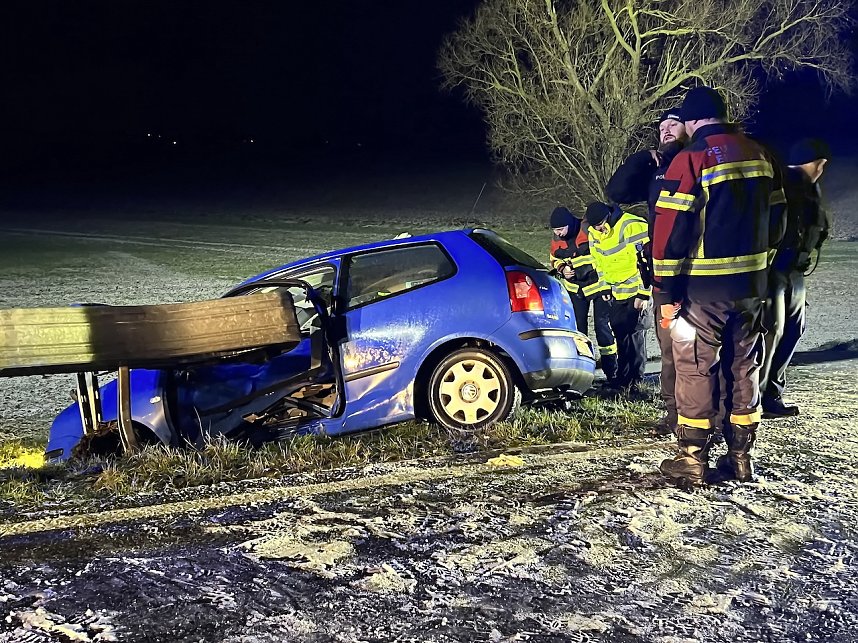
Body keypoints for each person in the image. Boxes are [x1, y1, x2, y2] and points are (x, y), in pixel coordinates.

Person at [653, 86, 786, 485]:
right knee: (743, 364)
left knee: (695, 365)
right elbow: (778, 224)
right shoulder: (763, 155)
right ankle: (741, 456)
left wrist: (664, 292)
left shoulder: (692, 158)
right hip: (752, 288)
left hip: (703, 290)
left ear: (693, 121)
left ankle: (692, 458)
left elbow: (670, 233)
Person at [607, 109, 689, 434]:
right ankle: (674, 414)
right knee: (669, 348)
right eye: (662, 127)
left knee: (699, 349)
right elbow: (616, 193)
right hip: (664, 284)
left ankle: (707, 413)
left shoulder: (699, 163)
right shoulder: (657, 171)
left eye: (673, 125)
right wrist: (643, 158)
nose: (666, 131)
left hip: (698, 280)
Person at [759, 139, 830, 418]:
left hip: (795, 272)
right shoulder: (780, 184)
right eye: (821, 165)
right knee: (771, 332)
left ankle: (772, 395)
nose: (822, 171)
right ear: (815, 163)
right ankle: (755, 398)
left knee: (793, 330)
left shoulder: (811, 189)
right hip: (774, 269)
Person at [584, 201, 652, 391]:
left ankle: (636, 381)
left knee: (636, 335)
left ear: (608, 217)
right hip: (616, 293)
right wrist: (604, 287)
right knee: (621, 334)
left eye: (601, 224)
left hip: (636, 291)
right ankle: (623, 380)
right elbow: (599, 263)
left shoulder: (632, 226)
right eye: (595, 226)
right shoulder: (594, 233)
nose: (599, 229)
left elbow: (647, 262)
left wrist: (644, 294)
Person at [549, 206, 618, 382]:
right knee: (578, 331)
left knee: (602, 327)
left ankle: (612, 372)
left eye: (560, 229)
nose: (558, 233)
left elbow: (602, 254)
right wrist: (562, 268)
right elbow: (554, 258)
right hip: (575, 290)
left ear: (569, 224)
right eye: (555, 230)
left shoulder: (587, 230)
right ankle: (584, 373)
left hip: (597, 286)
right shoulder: (557, 238)